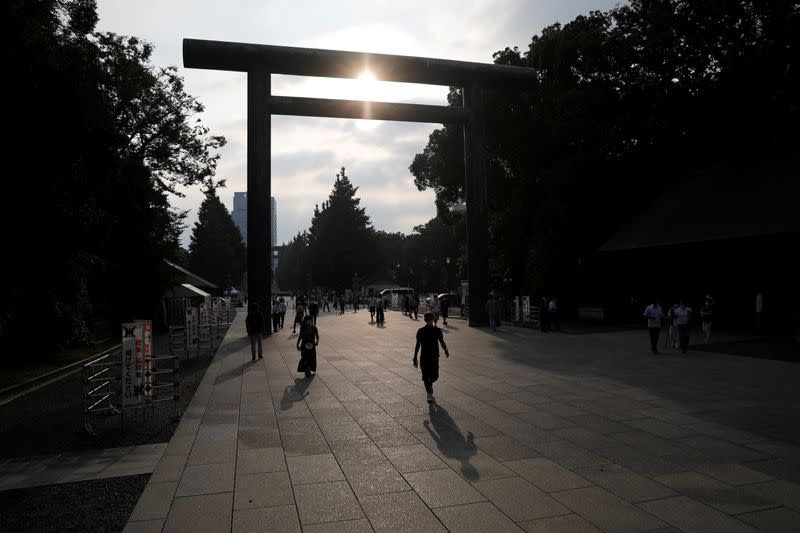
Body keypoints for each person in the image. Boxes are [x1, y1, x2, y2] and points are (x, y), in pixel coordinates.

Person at [413, 312, 449, 402]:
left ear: (432, 320)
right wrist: (415, 357)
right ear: (425, 320)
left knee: (435, 376)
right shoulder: (420, 331)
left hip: (434, 356)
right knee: (425, 376)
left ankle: (430, 385)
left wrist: (446, 350)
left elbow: (441, 341)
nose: (429, 321)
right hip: (424, 356)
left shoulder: (437, 330)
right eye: (428, 319)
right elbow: (417, 345)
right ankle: (429, 393)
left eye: (430, 319)